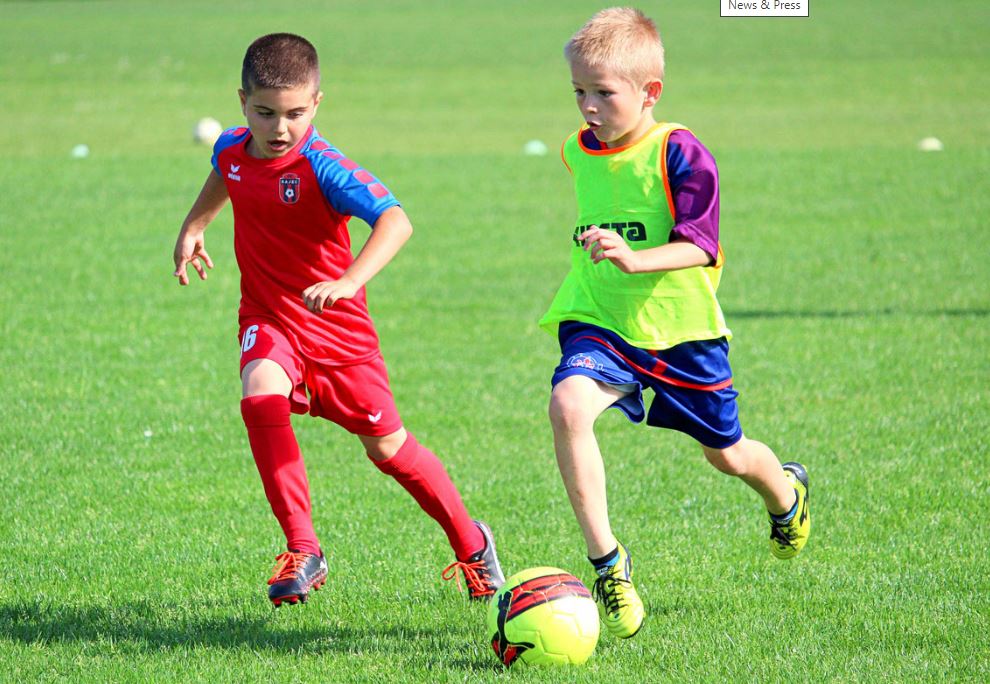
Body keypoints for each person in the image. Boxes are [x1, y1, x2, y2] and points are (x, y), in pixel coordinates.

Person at [172, 33, 503, 607]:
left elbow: (395, 220)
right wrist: (194, 227)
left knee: (389, 451)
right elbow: (227, 174)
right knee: (260, 396)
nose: (280, 127)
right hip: (271, 317)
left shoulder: (325, 166)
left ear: (318, 104)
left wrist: (350, 281)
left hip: (339, 338)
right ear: (242, 101)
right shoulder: (231, 148)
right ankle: (304, 547)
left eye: (296, 113)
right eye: (265, 112)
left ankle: (472, 543)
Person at [539, 8, 810, 639]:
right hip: (599, 317)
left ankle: (786, 494)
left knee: (729, 456)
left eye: (603, 93)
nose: (587, 108)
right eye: (578, 92)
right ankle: (609, 564)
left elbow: (701, 244)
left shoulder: (681, 152)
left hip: (681, 330)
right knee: (568, 406)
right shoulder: (575, 150)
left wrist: (634, 258)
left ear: (649, 92)